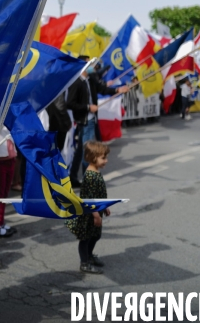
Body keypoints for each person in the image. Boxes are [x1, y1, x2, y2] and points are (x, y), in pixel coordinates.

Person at [67, 57, 127, 187]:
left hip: (91, 119)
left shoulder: (91, 79)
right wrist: (88, 107)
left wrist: (117, 90)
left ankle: (73, 177)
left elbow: (102, 89)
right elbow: (70, 103)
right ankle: (87, 180)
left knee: (81, 151)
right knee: (87, 151)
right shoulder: (76, 82)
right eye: (89, 63)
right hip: (84, 119)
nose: (93, 66)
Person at [65, 141, 111, 274]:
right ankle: (84, 263)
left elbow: (98, 194)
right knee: (86, 238)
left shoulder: (95, 172)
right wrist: (96, 215)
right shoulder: (90, 176)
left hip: (96, 211)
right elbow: (89, 199)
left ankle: (89, 256)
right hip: (89, 215)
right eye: (103, 158)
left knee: (95, 235)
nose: (106, 161)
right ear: (92, 157)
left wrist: (105, 206)